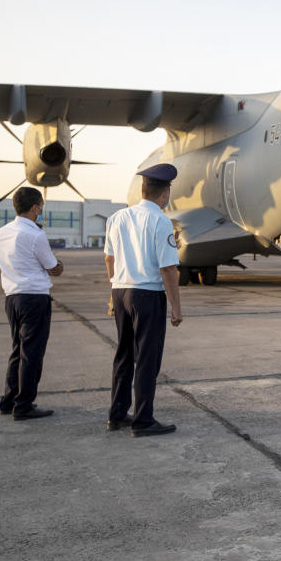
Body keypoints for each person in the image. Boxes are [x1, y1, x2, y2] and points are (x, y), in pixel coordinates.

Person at [104, 164, 184, 436]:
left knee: (123, 355)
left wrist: (112, 293)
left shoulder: (117, 217)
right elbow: (168, 268)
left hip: (121, 291)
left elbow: (109, 258)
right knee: (147, 359)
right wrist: (176, 307)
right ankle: (143, 420)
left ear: (142, 190)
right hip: (147, 295)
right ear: (165, 194)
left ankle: (116, 414)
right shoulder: (161, 221)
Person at [0, 187, 63, 421]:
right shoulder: (35, 234)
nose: (42, 210)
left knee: (17, 350)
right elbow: (53, 267)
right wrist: (58, 266)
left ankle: (9, 399)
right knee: (32, 353)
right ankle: (24, 404)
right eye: (41, 206)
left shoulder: (3, 232)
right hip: (34, 298)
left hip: (12, 298)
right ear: (35, 208)